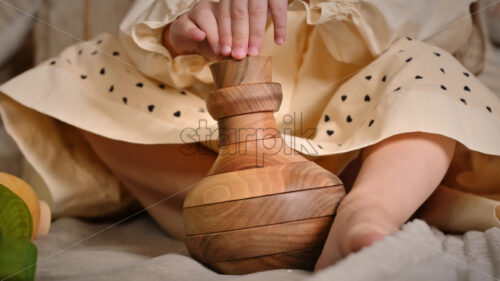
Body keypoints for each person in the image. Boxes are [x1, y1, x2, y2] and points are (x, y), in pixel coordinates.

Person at [0, 0, 499, 270]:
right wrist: (179, 29)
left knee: (427, 72)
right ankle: (231, 207)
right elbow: (142, 26)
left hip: (353, 130)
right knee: (87, 68)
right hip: (210, 141)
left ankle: (369, 207)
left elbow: (437, 16)